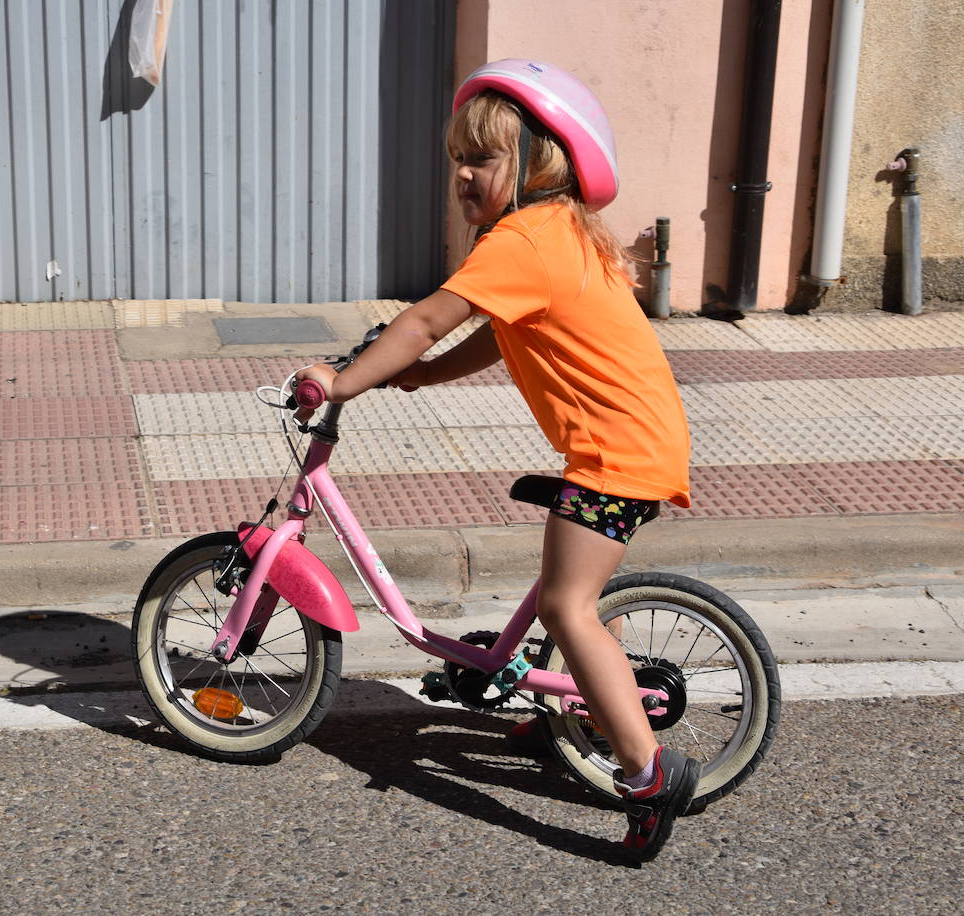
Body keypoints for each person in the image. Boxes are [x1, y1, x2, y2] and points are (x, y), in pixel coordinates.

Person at [294, 59, 699, 861]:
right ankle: (569, 711)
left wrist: (346, 378)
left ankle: (651, 777)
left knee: (567, 608)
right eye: (457, 160)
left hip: (616, 452)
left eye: (481, 159)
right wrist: (415, 375)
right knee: (559, 601)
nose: (464, 175)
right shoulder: (556, 233)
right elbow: (488, 336)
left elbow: (425, 320)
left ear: (539, 163)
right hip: (629, 439)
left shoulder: (522, 239)